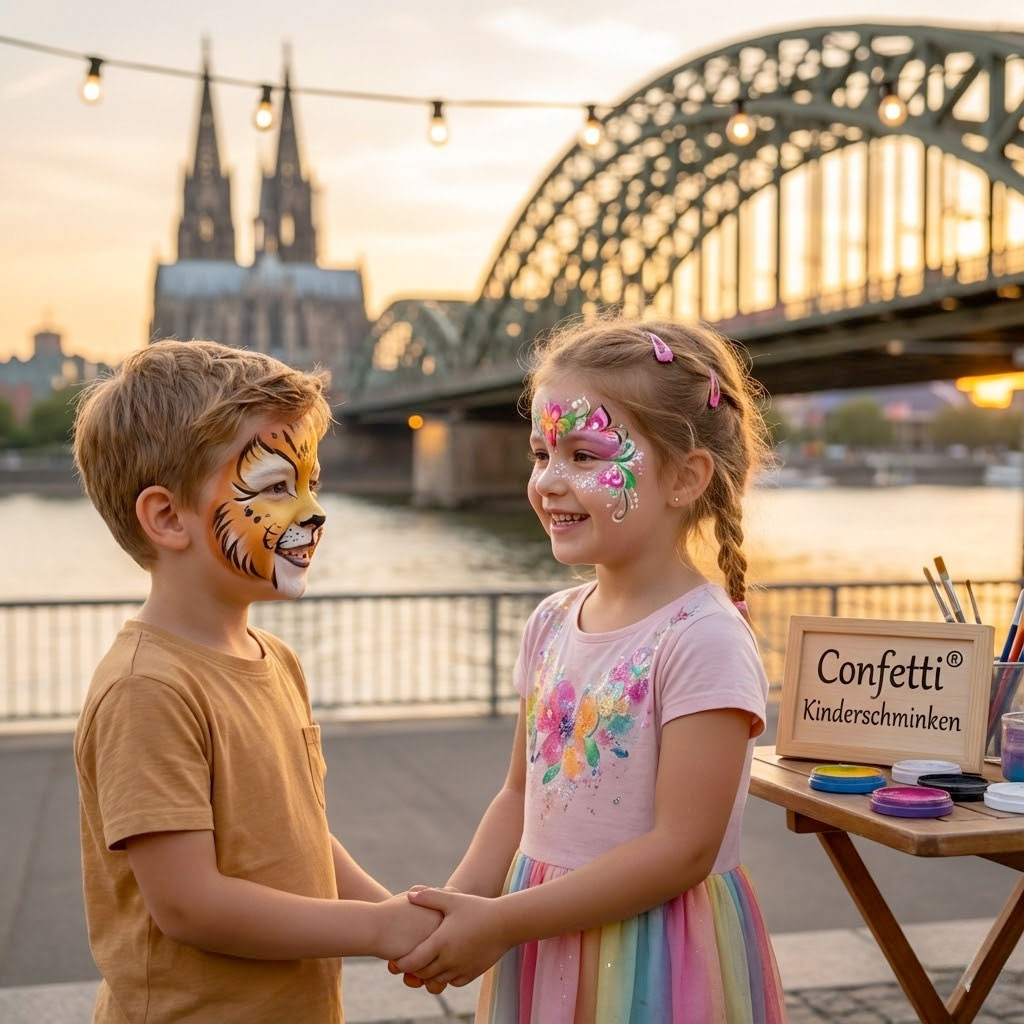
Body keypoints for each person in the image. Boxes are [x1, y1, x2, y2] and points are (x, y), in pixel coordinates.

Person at [392, 317, 787, 1022]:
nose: (549, 481)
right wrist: (458, 907)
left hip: (654, 954)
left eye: (584, 453)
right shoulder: (549, 622)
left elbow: (681, 851)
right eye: (541, 453)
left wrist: (503, 922)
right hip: (540, 934)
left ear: (685, 478)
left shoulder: (704, 640)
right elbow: (517, 796)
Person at [72, 340, 441, 1024]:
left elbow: (299, 836)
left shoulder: (274, 659)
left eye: (312, 483)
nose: (314, 512)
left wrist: (394, 913)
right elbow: (190, 904)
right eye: (277, 487)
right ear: (166, 517)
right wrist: (373, 931)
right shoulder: (147, 688)